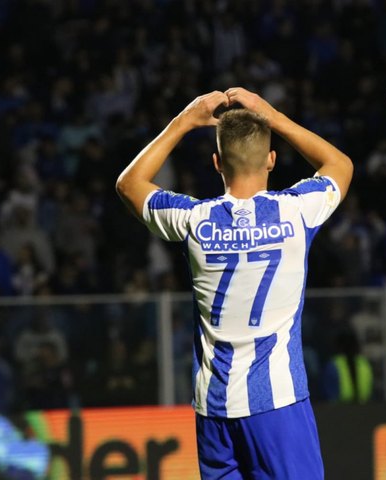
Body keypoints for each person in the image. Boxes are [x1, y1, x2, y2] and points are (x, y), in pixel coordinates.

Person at [116, 87, 353, 479]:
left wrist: (185, 120)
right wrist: (272, 115)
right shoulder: (296, 213)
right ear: (272, 159)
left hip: (214, 409)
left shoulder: (193, 220)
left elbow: (129, 183)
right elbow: (339, 165)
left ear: (216, 163)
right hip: (278, 403)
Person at [320, 328, 373, 403]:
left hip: (339, 410)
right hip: (364, 409)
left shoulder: (333, 365)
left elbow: (329, 396)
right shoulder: (365, 364)